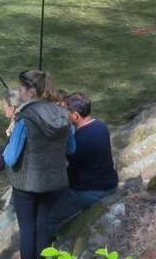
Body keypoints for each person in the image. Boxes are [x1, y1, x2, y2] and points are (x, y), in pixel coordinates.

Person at [0, 70, 72, 259]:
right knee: (43, 224)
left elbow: (10, 159)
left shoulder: (24, 119)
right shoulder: (62, 113)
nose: (18, 91)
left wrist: (3, 143)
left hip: (27, 184)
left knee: (27, 229)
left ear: (30, 91)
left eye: (21, 87)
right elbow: (71, 147)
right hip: (55, 180)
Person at [46, 92, 118, 238]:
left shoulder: (78, 140)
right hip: (108, 182)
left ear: (75, 116)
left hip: (92, 190)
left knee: (49, 218)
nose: (64, 114)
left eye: (66, 112)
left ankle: (48, 249)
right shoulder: (100, 125)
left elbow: (57, 160)